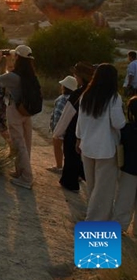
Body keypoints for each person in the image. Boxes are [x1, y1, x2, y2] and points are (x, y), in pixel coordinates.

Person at [76, 64, 126, 221]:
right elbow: (118, 123)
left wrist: (79, 139)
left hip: (87, 146)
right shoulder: (113, 98)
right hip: (106, 149)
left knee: (93, 187)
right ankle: (95, 224)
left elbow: (80, 121)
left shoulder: (86, 95)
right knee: (103, 191)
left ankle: (93, 217)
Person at [0, 45, 38, 190]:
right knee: (26, 143)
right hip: (27, 112)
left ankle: (26, 178)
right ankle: (20, 172)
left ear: (18, 58)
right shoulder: (30, 75)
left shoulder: (13, 76)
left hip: (15, 110)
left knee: (19, 143)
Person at [54, 62, 95, 193]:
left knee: (71, 156)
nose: (75, 78)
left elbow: (67, 114)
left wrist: (58, 132)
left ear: (80, 76)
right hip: (91, 131)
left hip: (75, 129)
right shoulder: (96, 92)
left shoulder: (78, 93)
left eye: (76, 75)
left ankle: (70, 182)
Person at [113, 97, 137, 233]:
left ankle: (120, 226)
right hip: (129, 169)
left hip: (128, 169)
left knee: (124, 199)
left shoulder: (126, 129)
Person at [48, 76, 77, 173]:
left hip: (60, 128)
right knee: (70, 151)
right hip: (71, 129)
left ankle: (59, 166)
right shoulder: (75, 99)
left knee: (57, 147)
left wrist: (55, 129)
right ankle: (74, 170)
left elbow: (57, 115)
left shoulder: (61, 99)